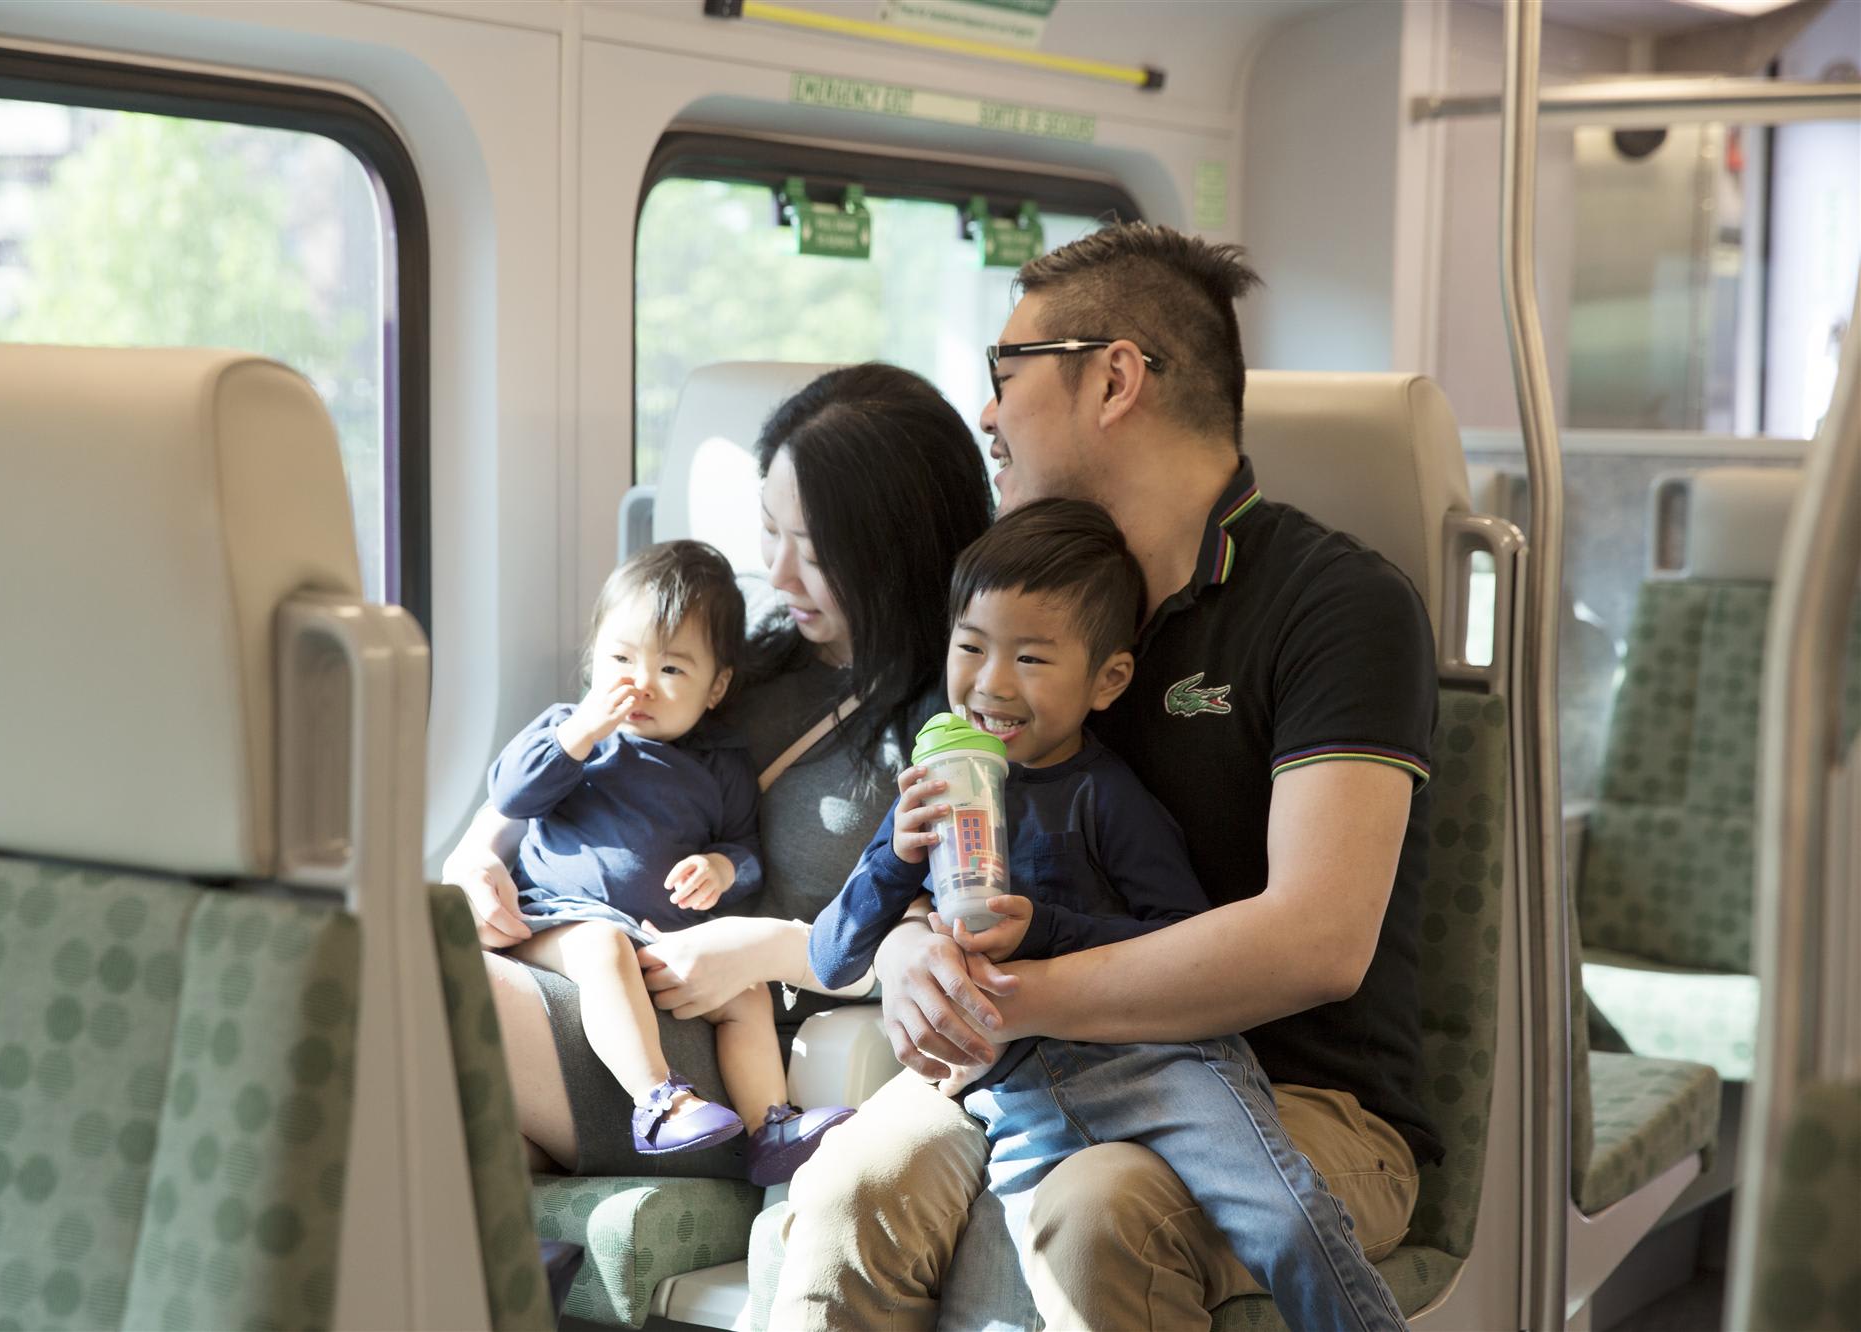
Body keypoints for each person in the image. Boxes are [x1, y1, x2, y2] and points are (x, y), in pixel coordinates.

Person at [771, 223, 1439, 1331]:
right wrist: (905, 956)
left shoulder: (1336, 606)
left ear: (1114, 378)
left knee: (1097, 1209)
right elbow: (937, 849)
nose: (985, 413)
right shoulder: (1021, 601)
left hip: (1302, 1094)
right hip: (1031, 1057)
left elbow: (1315, 941)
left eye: (1006, 373)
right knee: (848, 1188)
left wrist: (1008, 997)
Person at [809, 498, 1407, 1332]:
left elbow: (1178, 942)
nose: (990, 684)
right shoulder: (933, 800)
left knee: (1283, 1214)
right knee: (1007, 1295)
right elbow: (830, 958)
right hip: (1017, 1091)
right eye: (970, 647)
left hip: (1161, 1065)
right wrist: (894, 859)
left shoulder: (1106, 796)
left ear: (1108, 681)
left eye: (1030, 658)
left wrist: (1043, 935)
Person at [444, 362, 994, 1185]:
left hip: (720, 1045)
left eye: (813, 552)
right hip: (594, 964)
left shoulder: (946, 720)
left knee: (408, 978)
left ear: (893, 550)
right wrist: (472, 855)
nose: (776, 575)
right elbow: (583, 762)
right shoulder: (746, 653)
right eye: (770, 533)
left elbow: (946, 953)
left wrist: (761, 949)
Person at [486, 538, 853, 1181]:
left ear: (716, 689)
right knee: (602, 948)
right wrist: (577, 737)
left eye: (672, 670)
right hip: (557, 920)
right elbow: (512, 794)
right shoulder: (574, 734)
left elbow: (746, 850)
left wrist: (721, 867)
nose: (639, 684)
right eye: (620, 658)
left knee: (747, 995)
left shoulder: (719, 767)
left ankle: (773, 1124)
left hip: (659, 943)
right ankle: (657, 1101)